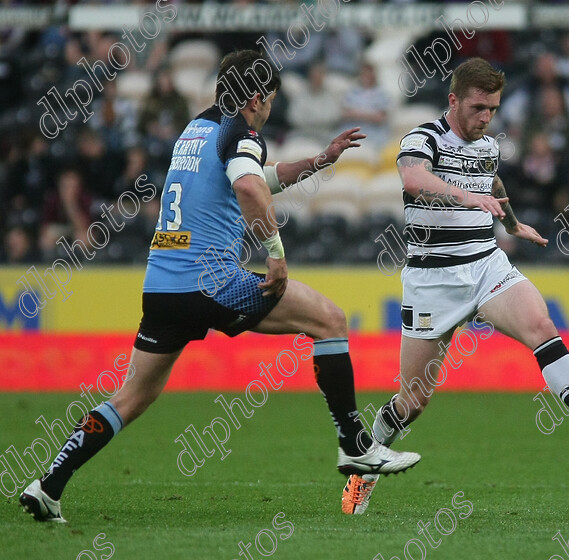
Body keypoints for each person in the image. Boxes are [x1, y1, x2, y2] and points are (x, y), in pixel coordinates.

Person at [20, 49, 420, 523]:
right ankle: (355, 445)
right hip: (210, 282)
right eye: (270, 98)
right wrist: (276, 254)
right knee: (330, 321)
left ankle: (48, 484)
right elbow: (250, 189)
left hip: (163, 286)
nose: (271, 107)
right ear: (255, 97)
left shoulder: (197, 130)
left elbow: (257, 178)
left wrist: (319, 160)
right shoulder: (242, 130)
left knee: (130, 398)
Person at [341, 58, 569, 515]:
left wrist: (512, 224)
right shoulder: (423, 138)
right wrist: (466, 196)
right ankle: (365, 469)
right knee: (413, 400)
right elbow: (414, 180)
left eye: (492, 109)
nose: (485, 119)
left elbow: (490, 181)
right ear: (454, 99)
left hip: (485, 266)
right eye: (478, 108)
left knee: (541, 325)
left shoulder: (488, 144)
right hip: (432, 280)